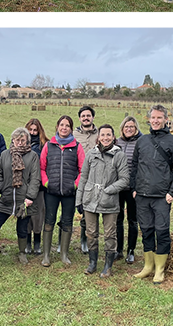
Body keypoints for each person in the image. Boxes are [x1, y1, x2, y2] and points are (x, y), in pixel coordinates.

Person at [129, 105, 173, 284]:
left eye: (159, 118)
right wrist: (134, 188)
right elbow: (134, 166)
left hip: (162, 197)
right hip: (142, 196)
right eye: (153, 117)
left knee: (161, 232)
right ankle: (148, 266)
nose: (155, 120)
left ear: (165, 120)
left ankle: (160, 270)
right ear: (149, 119)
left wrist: (172, 192)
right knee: (146, 230)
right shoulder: (142, 141)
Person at [77, 124, 129, 277]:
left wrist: (108, 190)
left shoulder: (119, 155)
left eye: (108, 135)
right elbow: (83, 177)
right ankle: (92, 262)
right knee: (91, 232)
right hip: (90, 198)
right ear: (98, 137)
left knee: (110, 234)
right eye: (103, 135)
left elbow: (125, 179)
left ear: (113, 137)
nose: (105, 138)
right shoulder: (91, 154)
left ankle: (108, 265)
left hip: (110, 201)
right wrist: (79, 200)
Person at [0, 127, 41, 265]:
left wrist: (30, 196)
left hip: (24, 200)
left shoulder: (33, 156)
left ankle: (22, 253)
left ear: (27, 141)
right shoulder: (5, 154)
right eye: (17, 140)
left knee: (22, 229)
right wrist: (1, 187)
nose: (20, 143)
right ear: (13, 140)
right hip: (6, 198)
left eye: (23, 140)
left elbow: (35, 178)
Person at [39, 115, 84, 267]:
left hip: (69, 192)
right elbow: (42, 167)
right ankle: (46, 255)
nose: (64, 128)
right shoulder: (49, 146)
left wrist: (75, 185)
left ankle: (64, 254)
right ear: (57, 127)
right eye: (61, 125)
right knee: (49, 221)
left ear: (71, 129)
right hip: (51, 191)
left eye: (67, 125)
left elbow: (82, 170)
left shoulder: (77, 147)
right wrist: (46, 182)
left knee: (67, 221)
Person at [74, 105, 99, 254]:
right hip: (78, 177)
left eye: (88, 115)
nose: (86, 118)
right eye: (83, 116)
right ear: (80, 118)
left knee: (89, 211)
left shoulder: (100, 134)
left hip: (95, 178)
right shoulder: (74, 135)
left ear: (92, 117)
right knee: (75, 208)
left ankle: (85, 239)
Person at [115, 115, 140, 263]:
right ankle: (118, 250)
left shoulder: (140, 142)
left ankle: (131, 250)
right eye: (126, 127)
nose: (129, 129)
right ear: (122, 128)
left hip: (132, 188)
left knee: (132, 220)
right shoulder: (117, 142)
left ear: (136, 128)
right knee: (118, 219)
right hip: (118, 188)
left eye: (131, 126)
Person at [25, 118, 48, 254]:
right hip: (24, 186)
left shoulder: (45, 145)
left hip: (39, 186)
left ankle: (37, 242)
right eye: (30, 130)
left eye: (35, 130)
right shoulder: (20, 144)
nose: (33, 133)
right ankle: (27, 242)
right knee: (26, 215)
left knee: (38, 215)